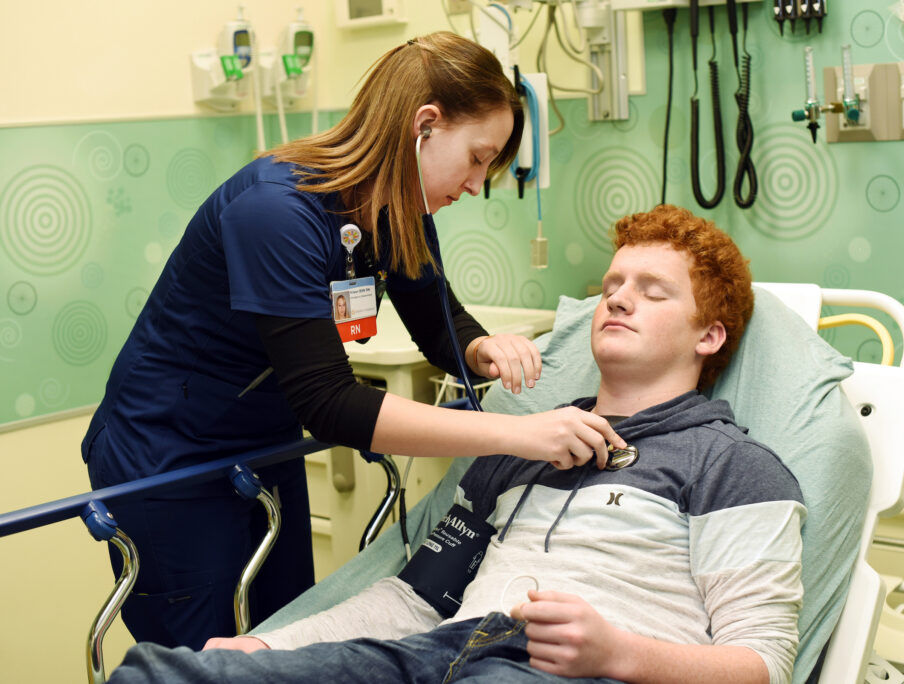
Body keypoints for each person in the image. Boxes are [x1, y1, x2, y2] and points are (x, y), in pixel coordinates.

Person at [83, 31, 625, 651]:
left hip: (263, 447)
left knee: (282, 644)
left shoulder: (398, 208)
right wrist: (523, 434)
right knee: (198, 659)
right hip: (169, 456)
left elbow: (439, 322)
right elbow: (330, 402)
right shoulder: (277, 211)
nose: (478, 182)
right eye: (477, 157)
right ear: (426, 125)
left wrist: (482, 351)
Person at [108, 205, 806, 684]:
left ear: (709, 336)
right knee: (166, 671)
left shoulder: (733, 467)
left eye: (653, 292)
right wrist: (269, 645)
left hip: (564, 671)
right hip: (430, 655)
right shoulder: (522, 443)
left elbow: (764, 663)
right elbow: (415, 604)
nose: (618, 299)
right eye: (613, 284)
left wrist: (618, 652)